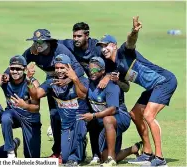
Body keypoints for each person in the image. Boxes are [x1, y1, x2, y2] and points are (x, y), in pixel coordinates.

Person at [97, 16, 178, 166]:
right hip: (153, 87)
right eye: (101, 47)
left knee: (148, 115)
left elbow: (131, 41)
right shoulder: (112, 65)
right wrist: (117, 81)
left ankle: (160, 158)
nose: (103, 49)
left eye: (106, 45)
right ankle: (147, 153)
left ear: (114, 45)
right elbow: (126, 88)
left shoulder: (124, 52)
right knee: (135, 114)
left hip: (165, 81)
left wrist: (134, 31)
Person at [3, 29, 86, 160]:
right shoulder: (33, 51)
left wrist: (67, 80)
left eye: (41, 41)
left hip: (71, 84)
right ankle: (57, 152)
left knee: (75, 119)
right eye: (35, 42)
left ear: (48, 42)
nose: (38, 44)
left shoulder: (60, 50)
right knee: (54, 115)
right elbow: (17, 63)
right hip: (53, 84)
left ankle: (79, 148)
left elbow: (79, 70)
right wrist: (6, 74)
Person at [59, 22, 131, 165]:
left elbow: (118, 70)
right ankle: (94, 154)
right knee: (90, 121)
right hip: (92, 88)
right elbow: (54, 44)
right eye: (74, 36)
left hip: (110, 93)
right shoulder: (71, 45)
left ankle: (117, 153)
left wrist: (107, 77)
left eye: (79, 36)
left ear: (87, 35)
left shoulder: (98, 49)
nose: (75, 39)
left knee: (108, 119)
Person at [28, 54, 89, 166]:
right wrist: (29, 81)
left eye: (62, 68)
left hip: (81, 119)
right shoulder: (51, 82)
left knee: (72, 157)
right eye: (57, 68)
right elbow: (36, 95)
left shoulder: (81, 80)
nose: (59, 71)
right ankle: (80, 148)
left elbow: (82, 95)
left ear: (69, 67)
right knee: (65, 157)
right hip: (65, 124)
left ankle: (76, 157)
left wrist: (74, 79)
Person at [82, 57, 142, 166]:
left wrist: (94, 115)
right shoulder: (89, 83)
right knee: (102, 157)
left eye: (95, 70)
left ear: (103, 71)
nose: (92, 73)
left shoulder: (111, 86)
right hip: (104, 121)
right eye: (90, 70)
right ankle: (133, 149)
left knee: (107, 119)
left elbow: (113, 109)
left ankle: (111, 159)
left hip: (120, 117)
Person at [0, 55, 41, 158]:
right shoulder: (5, 81)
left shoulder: (33, 83)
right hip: (13, 115)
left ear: (24, 69)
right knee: (5, 117)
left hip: (30, 118)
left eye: (18, 69)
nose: (15, 71)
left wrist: (25, 105)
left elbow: (36, 108)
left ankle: (14, 144)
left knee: (32, 158)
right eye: (12, 69)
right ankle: (10, 151)